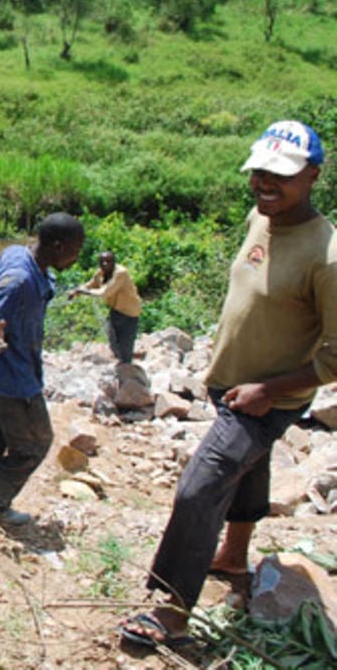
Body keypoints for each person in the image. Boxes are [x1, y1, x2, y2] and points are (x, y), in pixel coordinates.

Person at [120, 120, 337, 649]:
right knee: (249, 466)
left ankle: (172, 610)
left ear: (312, 176)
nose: (264, 183)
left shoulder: (328, 256)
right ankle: (234, 555)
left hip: (266, 398)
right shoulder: (259, 219)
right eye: (259, 171)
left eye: (280, 176)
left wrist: (268, 391)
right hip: (230, 387)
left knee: (198, 490)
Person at [0, 212, 85, 526]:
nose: (76, 258)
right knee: (35, 444)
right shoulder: (20, 280)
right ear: (57, 246)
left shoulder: (18, 254)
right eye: (74, 250)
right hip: (12, 380)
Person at [68, 251, 143, 364]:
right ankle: (122, 363)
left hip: (129, 311)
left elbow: (105, 292)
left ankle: (128, 370)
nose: (105, 264)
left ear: (114, 262)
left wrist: (83, 292)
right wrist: (75, 291)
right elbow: (90, 285)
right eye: (102, 262)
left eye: (108, 261)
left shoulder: (120, 273)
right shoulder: (100, 273)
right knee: (113, 341)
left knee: (125, 343)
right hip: (115, 309)